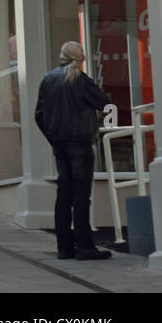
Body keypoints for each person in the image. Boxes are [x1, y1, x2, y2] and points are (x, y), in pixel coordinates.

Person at [35, 41, 113, 260]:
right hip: (79, 143)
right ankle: (85, 247)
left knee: (63, 195)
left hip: (60, 144)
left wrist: (53, 138)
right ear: (81, 59)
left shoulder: (48, 79)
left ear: (61, 56)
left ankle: (64, 248)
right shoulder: (80, 80)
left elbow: (39, 115)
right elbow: (104, 102)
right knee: (81, 196)